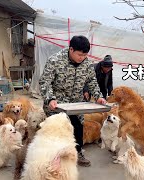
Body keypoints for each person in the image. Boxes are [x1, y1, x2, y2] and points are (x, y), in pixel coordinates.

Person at [39, 35, 106, 167]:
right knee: (59, 131)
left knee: (78, 128)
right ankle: (54, 157)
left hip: (76, 103)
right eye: (80, 55)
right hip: (57, 104)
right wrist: (50, 98)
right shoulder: (55, 60)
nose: (82, 58)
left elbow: (92, 80)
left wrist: (98, 95)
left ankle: (77, 152)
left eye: (85, 55)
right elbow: (45, 82)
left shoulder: (86, 63)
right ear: (71, 49)